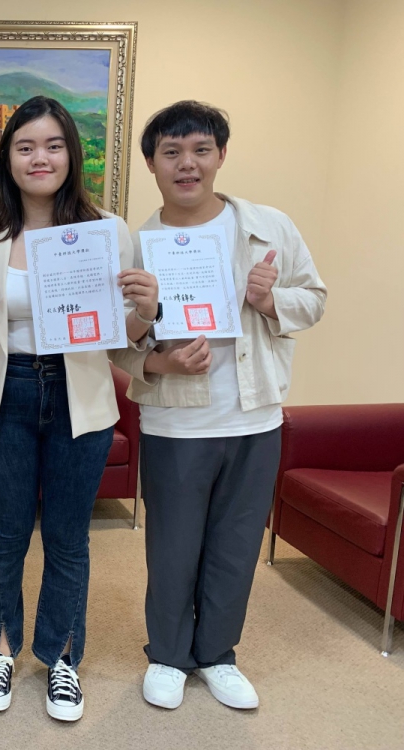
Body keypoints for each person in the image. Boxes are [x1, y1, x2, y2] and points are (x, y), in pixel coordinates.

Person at [0, 96, 158, 721]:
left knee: (69, 537)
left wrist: (148, 312)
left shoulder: (108, 232)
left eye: (52, 145)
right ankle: (0, 650)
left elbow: (122, 337)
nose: (39, 158)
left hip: (80, 395)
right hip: (6, 392)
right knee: (6, 534)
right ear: (8, 159)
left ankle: (62, 655)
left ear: (71, 154)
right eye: (25, 147)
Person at [125, 101, 326, 711]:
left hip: (255, 415)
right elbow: (117, 343)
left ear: (221, 155)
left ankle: (217, 655)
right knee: (172, 549)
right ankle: (167, 655)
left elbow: (314, 299)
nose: (187, 164)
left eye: (200, 150)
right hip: (175, 420)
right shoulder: (137, 245)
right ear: (152, 164)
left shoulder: (268, 227)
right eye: (171, 152)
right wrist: (157, 353)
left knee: (236, 546)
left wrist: (269, 302)